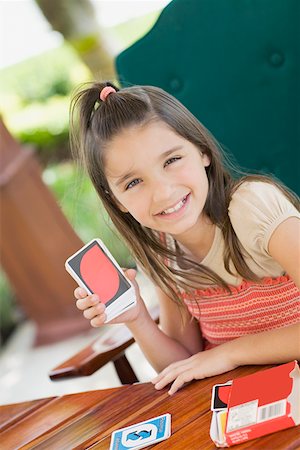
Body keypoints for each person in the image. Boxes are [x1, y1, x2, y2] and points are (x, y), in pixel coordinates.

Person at [70, 81, 300, 395]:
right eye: (134, 182)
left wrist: (227, 353)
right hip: (244, 403)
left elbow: (211, 360)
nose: (163, 192)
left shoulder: (253, 207)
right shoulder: (162, 250)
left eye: (171, 160)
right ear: (117, 200)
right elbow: (183, 365)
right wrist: (137, 317)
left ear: (202, 151)